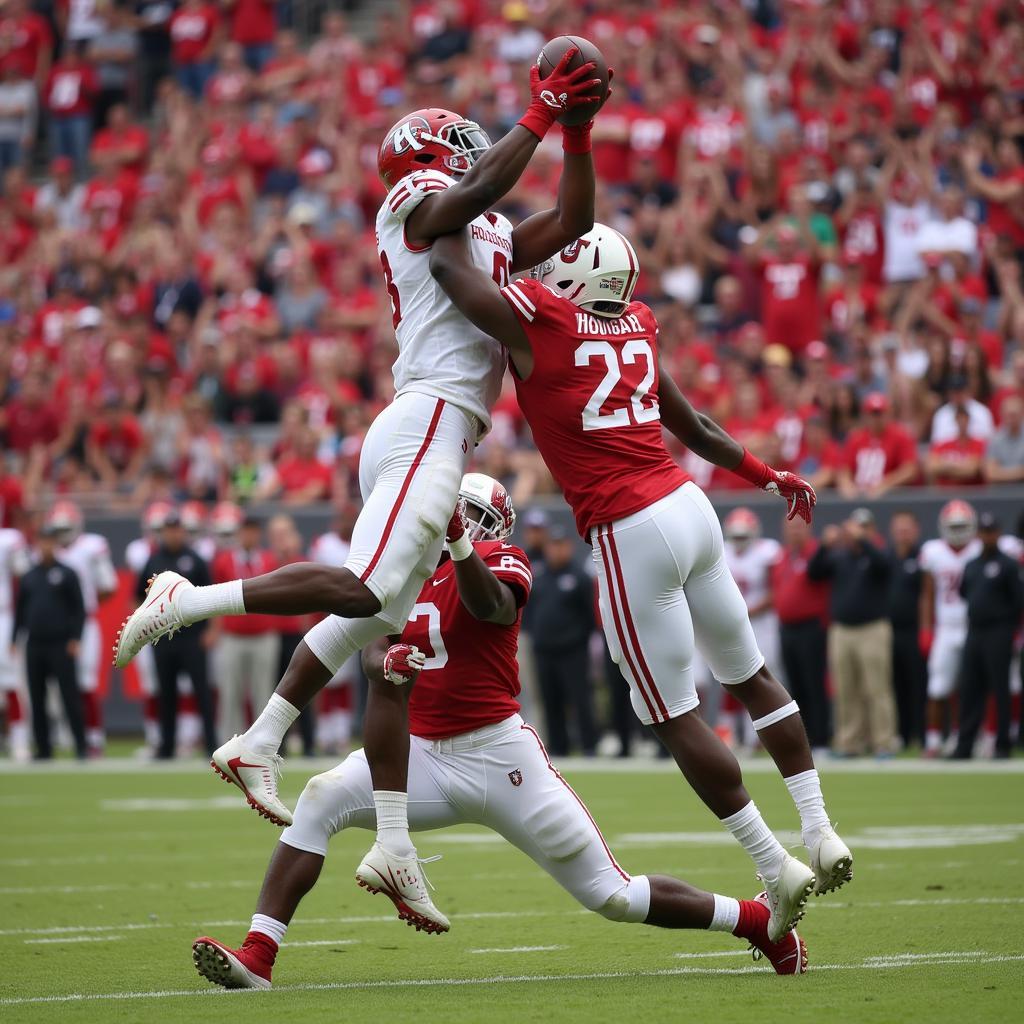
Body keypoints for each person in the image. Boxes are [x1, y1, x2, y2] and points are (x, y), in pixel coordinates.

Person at [114, 52, 609, 932]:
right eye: (455, 139)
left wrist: (575, 131)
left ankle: (264, 738)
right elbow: (469, 193)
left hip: (431, 425)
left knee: (382, 621)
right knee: (374, 592)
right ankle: (187, 600)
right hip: (429, 415)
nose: (465, 146)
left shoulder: (483, 225)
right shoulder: (415, 200)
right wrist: (536, 114)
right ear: (427, 148)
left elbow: (573, 217)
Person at [190, 474, 807, 990]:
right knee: (322, 797)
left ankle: (752, 920)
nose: (459, 524)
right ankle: (259, 956)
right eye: (458, 515)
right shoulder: (397, 571)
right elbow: (369, 650)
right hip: (424, 755)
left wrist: (461, 543)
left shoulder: (501, 561)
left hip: (499, 755)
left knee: (611, 896)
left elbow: (493, 607)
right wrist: (389, 661)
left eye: (474, 517)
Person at [429, 222, 851, 944]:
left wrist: (446, 219)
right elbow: (700, 428)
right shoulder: (640, 324)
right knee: (750, 675)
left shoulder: (548, 320)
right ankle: (820, 828)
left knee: (670, 712)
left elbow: (449, 274)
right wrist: (769, 477)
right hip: (690, 503)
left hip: (630, 524)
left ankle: (772, 860)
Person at [807, 509, 898, 757]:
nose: (858, 533)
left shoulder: (879, 553)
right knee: (845, 689)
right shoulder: (840, 557)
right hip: (842, 631)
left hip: (873, 629)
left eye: (864, 527)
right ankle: (849, 743)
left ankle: (883, 742)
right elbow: (814, 573)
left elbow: (884, 566)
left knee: (877, 688)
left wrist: (863, 540)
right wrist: (824, 546)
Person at [136, 510, 218, 760]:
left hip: (192, 636)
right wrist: (143, 626)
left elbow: (212, 594)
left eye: (177, 529)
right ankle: (166, 745)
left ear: (183, 531)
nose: (173, 534)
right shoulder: (153, 560)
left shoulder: (195, 559)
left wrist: (212, 629)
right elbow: (137, 597)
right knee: (166, 693)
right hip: (162, 637)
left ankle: (210, 743)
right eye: (168, 529)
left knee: (201, 691)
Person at [48, 500, 117, 756]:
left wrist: (83, 606)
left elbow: (109, 585)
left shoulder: (91, 547)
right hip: (55, 626)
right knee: (55, 685)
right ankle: (65, 734)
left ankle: (94, 737)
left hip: (84, 623)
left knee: (86, 682)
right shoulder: (46, 550)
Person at [952, 514, 1023, 759]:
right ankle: (965, 745)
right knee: (970, 688)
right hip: (975, 630)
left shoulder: (1008, 564)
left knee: (999, 688)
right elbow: (964, 593)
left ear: (998, 534)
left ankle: (1003, 745)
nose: (987, 536)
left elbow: (1018, 601)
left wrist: (1008, 629)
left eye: (991, 531)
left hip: (999, 631)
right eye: (983, 531)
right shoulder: (972, 564)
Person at [13, 524, 87, 760]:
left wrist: (76, 638)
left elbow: (79, 609)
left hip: (61, 642)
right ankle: (43, 748)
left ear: (55, 544)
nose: (45, 547)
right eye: (41, 541)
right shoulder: (29, 576)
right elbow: (21, 610)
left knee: (69, 696)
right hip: (35, 643)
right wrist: (15, 639)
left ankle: (81, 746)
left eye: (49, 542)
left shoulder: (67, 573)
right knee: (37, 697)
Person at [527, 524, 598, 757]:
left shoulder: (579, 576)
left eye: (561, 545)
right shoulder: (538, 575)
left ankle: (589, 745)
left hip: (572, 650)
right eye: (553, 546)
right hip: (544, 649)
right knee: (550, 699)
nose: (556, 551)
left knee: (580, 698)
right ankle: (559, 746)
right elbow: (530, 611)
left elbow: (589, 615)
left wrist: (580, 639)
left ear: (568, 547)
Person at [210, 513, 281, 741]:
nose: (249, 535)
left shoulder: (269, 560)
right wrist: (215, 629)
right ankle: (229, 742)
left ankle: (262, 743)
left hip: (264, 635)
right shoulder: (224, 561)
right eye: (246, 530)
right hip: (233, 636)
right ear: (239, 533)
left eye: (253, 531)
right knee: (230, 691)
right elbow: (216, 598)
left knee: (264, 692)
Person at [918, 500, 979, 757]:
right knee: (937, 688)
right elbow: (928, 595)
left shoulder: (979, 549)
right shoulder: (934, 552)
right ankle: (932, 741)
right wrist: (926, 629)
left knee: (970, 687)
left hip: (974, 627)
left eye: (962, 525)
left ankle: (964, 738)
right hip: (946, 626)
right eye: (953, 525)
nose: (957, 530)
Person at [721, 508, 782, 748]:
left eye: (743, 535)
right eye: (735, 536)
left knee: (763, 678)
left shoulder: (767, 552)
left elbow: (774, 590)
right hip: (731, 624)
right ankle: (731, 736)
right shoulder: (721, 552)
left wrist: (746, 612)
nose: (739, 541)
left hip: (761, 624)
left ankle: (757, 737)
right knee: (729, 680)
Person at [771, 515, 831, 752]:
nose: (794, 532)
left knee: (813, 683)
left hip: (811, 627)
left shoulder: (816, 554)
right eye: (790, 527)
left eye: (798, 527)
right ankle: (804, 740)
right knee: (794, 685)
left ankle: (821, 739)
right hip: (787, 628)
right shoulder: (783, 556)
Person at [887, 511, 927, 750]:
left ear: (916, 530)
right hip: (891, 630)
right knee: (896, 684)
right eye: (899, 528)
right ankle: (901, 734)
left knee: (918, 683)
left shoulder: (923, 557)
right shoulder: (888, 558)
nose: (903, 533)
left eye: (907, 528)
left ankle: (921, 734)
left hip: (915, 630)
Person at [0, 524, 30, 760]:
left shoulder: (8, 539)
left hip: (3, 616)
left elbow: (24, 574)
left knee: (10, 681)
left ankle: (19, 740)